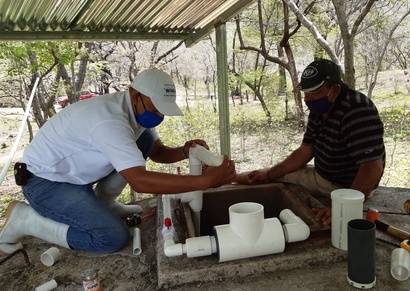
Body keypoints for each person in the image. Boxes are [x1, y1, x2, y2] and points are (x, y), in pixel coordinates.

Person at [0, 69, 236, 254]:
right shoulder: (110, 121)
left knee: (143, 141)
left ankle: (104, 203)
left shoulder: (131, 110)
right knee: (112, 238)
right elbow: (140, 182)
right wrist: (202, 182)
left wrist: (185, 151)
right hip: (45, 182)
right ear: (135, 96)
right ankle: (26, 221)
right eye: (156, 109)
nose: (159, 116)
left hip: (72, 175)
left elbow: (157, 152)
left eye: (163, 111)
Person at [236, 59, 385, 226]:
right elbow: (306, 151)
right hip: (324, 176)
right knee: (271, 174)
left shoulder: (357, 111)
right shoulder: (320, 108)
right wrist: (270, 174)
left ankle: (229, 177)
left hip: (346, 186)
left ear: (334, 90)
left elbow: (372, 166)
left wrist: (345, 206)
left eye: (314, 92)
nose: (307, 98)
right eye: (305, 92)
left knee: (278, 176)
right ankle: (229, 177)